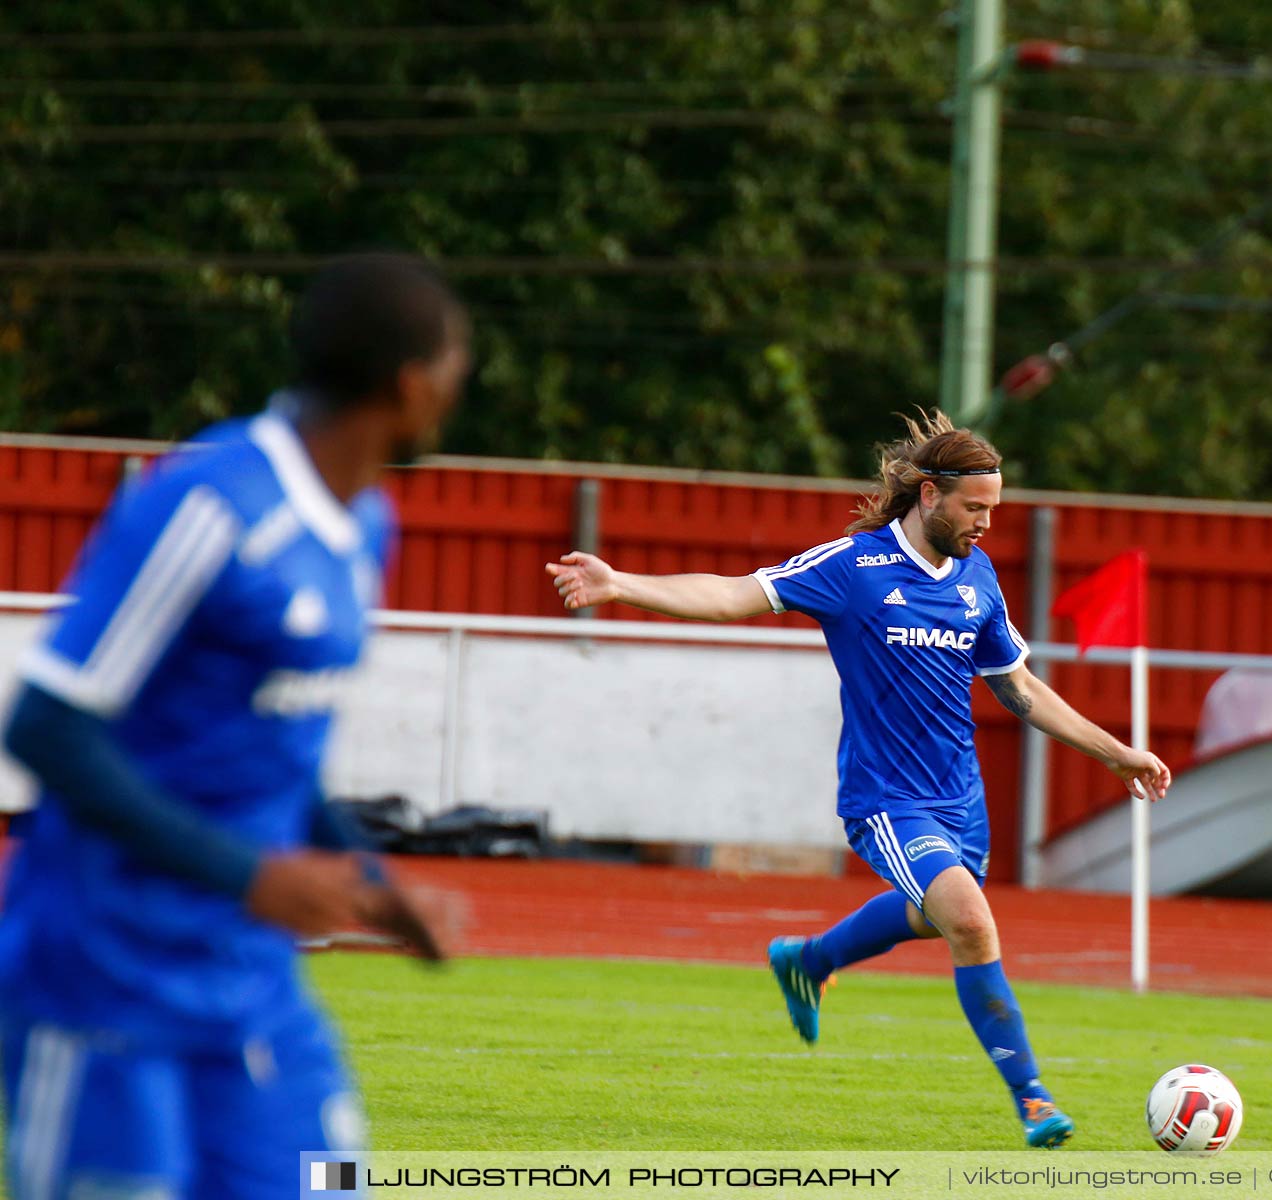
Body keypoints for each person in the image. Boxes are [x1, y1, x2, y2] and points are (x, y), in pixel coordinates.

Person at [546, 410, 1170, 1149]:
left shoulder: (978, 578)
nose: (987, 525)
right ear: (930, 495)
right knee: (969, 921)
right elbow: (732, 593)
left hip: (961, 803)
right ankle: (1033, 1099)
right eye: (976, 508)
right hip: (888, 802)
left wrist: (1114, 751)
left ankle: (810, 960)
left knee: (938, 915)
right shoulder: (853, 567)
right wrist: (622, 584)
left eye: (995, 510)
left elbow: (1020, 688)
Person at [0, 252, 468, 1197]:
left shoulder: (367, 523)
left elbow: (276, 759)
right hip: (102, 977)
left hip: (250, 987)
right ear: (412, 385)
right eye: (457, 372)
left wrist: (376, 883)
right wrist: (251, 876)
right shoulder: (206, 503)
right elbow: (46, 728)